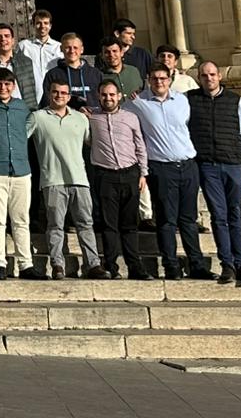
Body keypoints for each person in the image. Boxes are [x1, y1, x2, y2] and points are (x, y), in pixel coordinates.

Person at [130, 64, 213, 280]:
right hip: (161, 168)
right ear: (149, 80)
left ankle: (197, 264)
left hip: (187, 165)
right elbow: (117, 113)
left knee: (188, 218)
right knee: (166, 220)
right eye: (155, 78)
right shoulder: (138, 103)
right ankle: (171, 266)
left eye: (163, 78)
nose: (159, 82)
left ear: (170, 79)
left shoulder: (182, 101)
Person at [189, 60, 241, 287]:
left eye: (212, 74)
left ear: (219, 76)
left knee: (234, 215)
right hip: (207, 165)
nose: (209, 78)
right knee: (218, 216)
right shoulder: (190, 100)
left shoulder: (235, 100)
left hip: (232, 164)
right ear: (199, 78)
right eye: (204, 75)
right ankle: (226, 264)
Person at [28, 81, 103, 280]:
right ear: (49, 94)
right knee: (55, 225)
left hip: (80, 179)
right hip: (52, 180)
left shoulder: (80, 118)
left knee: (86, 224)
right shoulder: (38, 117)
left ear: (69, 96)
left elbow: (94, 142)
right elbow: (20, 139)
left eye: (63, 93)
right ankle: (57, 264)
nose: (59, 96)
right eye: (55, 92)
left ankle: (93, 264)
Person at [0, 68, 42, 280]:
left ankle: (25, 264)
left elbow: (32, 125)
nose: (3, 88)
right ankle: (0, 264)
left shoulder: (22, 107)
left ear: (14, 86)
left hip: (21, 170)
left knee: (21, 220)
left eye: (7, 84)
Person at [86, 79, 149, 279]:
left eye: (112, 94)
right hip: (105, 175)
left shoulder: (131, 118)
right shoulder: (91, 118)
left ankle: (135, 266)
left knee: (130, 224)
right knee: (109, 224)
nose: (108, 98)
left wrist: (143, 173)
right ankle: (111, 266)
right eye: (104, 95)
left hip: (130, 172)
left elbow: (140, 145)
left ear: (119, 96)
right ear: (99, 96)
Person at [41, 34, 102, 111]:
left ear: (82, 49)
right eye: (68, 47)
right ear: (61, 49)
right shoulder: (53, 75)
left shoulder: (95, 74)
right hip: (64, 119)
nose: (72, 51)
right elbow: (47, 101)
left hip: (92, 118)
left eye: (75, 47)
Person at [20, 9, 63, 83]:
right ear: (33, 25)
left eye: (46, 23)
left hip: (53, 90)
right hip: (31, 91)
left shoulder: (59, 47)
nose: (42, 26)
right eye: (38, 23)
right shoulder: (23, 46)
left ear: (50, 26)